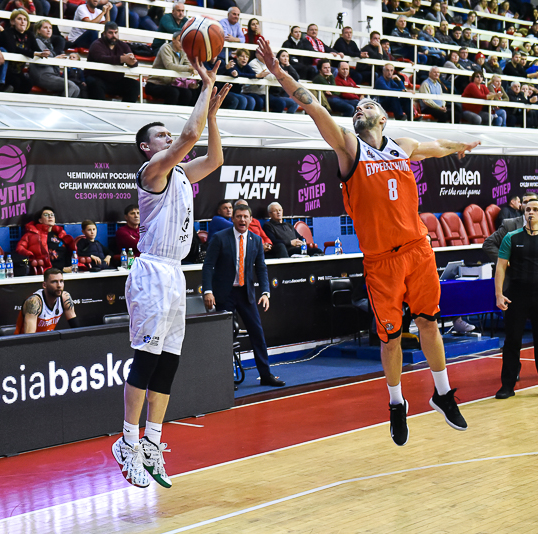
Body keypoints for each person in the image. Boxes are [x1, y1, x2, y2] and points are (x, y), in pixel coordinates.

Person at [257, 36, 475, 445]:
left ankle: (443, 394)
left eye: (368, 105)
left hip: (418, 249)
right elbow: (313, 105)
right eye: (357, 107)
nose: (360, 108)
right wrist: (279, 72)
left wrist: (460, 145)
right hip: (381, 260)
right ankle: (396, 403)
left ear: (384, 118)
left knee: (429, 323)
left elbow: (436, 147)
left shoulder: (402, 146)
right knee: (390, 337)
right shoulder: (349, 148)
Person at [111, 60, 230, 489]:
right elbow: (189, 137)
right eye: (160, 136)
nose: (168, 137)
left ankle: (152, 441)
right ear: (147, 148)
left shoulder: (180, 172)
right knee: (146, 359)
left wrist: (212, 116)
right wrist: (206, 86)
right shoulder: (152, 173)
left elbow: (214, 157)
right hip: (151, 271)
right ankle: (127, 441)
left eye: (167, 134)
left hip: (175, 273)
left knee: (168, 362)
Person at [483, 192, 538, 379]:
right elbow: (488, 243)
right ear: (521, 207)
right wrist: (505, 261)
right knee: (514, 333)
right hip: (517, 282)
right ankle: (512, 373)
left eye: (534, 206)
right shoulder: (510, 226)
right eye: (526, 204)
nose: (529, 209)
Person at [202, 204, 284, 387]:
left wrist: (265, 292)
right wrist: (208, 291)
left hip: (246, 293)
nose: (242, 220)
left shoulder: (256, 240)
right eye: (238, 216)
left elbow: (261, 268)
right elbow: (208, 265)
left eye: (245, 217)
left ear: (251, 219)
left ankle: (266, 375)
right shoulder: (220, 238)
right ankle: (225, 379)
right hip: (224, 294)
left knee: (257, 333)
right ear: (233, 219)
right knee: (225, 337)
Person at [86, 22, 139, 102]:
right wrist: (122, 59)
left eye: (116, 33)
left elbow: (133, 61)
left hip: (116, 81)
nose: (114, 36)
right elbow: (101, 58)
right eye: (110, 33)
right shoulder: (96, 44)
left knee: (134, 85)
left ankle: (126, 109)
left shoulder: (123, 45)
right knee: (94, 83)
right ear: (104, 33)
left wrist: (132, 62)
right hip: (98, 78)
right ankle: (100, 108)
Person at [14, 268, 78, 334]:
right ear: (44, 285)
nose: (59, 285)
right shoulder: (34, 302)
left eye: (61, 281)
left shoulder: (65, 298)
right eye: (54, 282)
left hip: (47, 339)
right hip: (25, 340)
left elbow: (76, 329)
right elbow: (29, 336)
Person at [1, 9, 50, 94]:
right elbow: (13, 49)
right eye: (19, 19)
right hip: (6, 71)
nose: (23, 22)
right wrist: (33, 54)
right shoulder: (7, 33)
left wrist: (45, 52)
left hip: (19, 71)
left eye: (25, 19)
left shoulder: (29, 35)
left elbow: (37, 50)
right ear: (12, 22)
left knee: (28, 83)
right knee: (15, 82)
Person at [16, 206, 76, 271]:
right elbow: (20, 248)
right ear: (40, 220)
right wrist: (31, 255)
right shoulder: (31, 235)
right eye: (46, 215)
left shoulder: (60, 233)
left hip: (68, 269)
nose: (50, 217)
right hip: (49, 271)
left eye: (52, 215)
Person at [146, 31, 197, 107]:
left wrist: (194, 69)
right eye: (179, 41)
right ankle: (166, 113)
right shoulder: (166, 47)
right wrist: (190, 68)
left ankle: (180, 113)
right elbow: (169, 65)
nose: (182, 44)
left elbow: (188, 64)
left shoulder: (183, 51)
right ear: (173, 39)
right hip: (155, 83)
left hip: (169, 84)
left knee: (188, 93)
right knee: (173, 92)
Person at [31, 20, 79, 97]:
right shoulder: (37, 41)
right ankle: (62, 103)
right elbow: (39, 61)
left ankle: (61, 101)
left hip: (51, 74)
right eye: (45, 28)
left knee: (77, 89)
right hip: (42, 75)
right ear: (38, 30)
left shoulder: (49, 44)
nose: (48, 30)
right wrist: (55, 59)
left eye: (50, 28)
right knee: (71, 86)